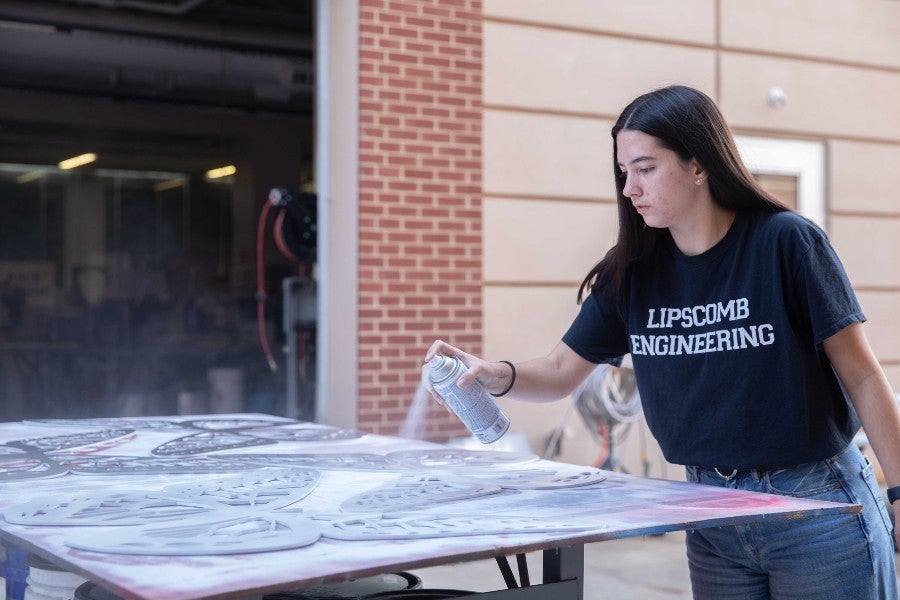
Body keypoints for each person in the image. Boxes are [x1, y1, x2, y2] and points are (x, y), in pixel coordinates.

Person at [424, 85, 899, 599]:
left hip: (817, 506)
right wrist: (494, 374)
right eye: (624, 171)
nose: (630, 188)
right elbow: (561, 371)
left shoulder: (785, 242)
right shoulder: (632, 271)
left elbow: (863, 374)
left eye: (646, 168)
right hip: (708, 511)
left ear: (699, 165)